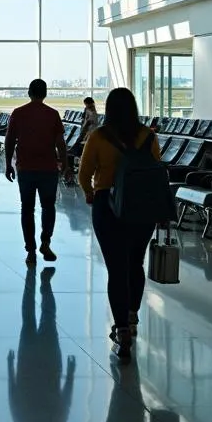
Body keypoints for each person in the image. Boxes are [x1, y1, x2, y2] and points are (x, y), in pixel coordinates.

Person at [78, 86, 161, 362]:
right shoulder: (148, 136)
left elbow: (84, 173)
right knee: (136, 262)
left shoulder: (99, 136)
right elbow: (156, 170)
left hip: (108, 206)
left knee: (116, 268)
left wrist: (91, 193)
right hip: (142, 208)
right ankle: (133, 316)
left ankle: (121, 330)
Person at [7, 267, 75, 422]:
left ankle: (42, 283)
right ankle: (32, 280)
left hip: (49, 363)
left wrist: (70, 374)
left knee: (47, 318)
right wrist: (10, 366)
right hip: (29, 363)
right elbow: (13, 395)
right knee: (29, 319)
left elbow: (66, 400)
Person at [4, 78, 72, 267]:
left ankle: (31, 251)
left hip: (25, 168)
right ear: (45, 93)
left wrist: (8, 163)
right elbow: (60, 143)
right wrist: (65, 164)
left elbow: (10, 140)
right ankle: (45, 242)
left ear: (29, 92)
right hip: (48, 169)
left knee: (27, 209)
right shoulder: (52, 114)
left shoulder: (18, 113)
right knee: (48, 207)